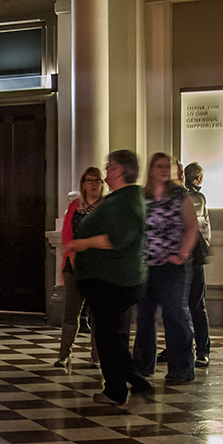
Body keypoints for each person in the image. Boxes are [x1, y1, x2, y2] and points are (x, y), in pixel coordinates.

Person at [67, 149, 150, 408]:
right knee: (110, 337)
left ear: (120, 170)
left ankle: (133, 385)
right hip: (110, 281)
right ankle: (117, 388)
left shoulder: (125, 201)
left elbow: (118, 238)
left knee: (110, 339)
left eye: (109, 166)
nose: (105, 172)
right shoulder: (121, 199)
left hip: (114, 282)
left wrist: (83, 243)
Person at [132, 152, 199, 386]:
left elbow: (192, 226)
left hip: (172, 267)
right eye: (159, 166)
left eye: (167, 166)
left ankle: (181, 368)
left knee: (175, 315)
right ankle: (142, 366)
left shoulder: (179, 194)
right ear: (151, 169)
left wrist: (182, 254)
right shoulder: (144, 195)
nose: (163, 170)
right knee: (145, 317)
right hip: (147, 265)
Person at [56, 167, 103, 372]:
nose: (93, 184)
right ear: (83, 184)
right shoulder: (75, 206)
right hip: (73, 265)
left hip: (99, 268)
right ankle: (64, 354)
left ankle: (97, 355)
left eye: (97, 181)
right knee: (71, 310)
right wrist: (74, 259)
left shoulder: (106, 207)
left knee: (97, 313)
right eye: (89, 180)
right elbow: (67, 235)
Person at [185, 161, 212, 367]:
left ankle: (182, 348)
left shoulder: (181, 197)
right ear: (199, 178)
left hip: (182, 259)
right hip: (194, 261)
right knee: (197, 306)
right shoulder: (199, 198)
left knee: (181, 307)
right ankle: (202, 350)